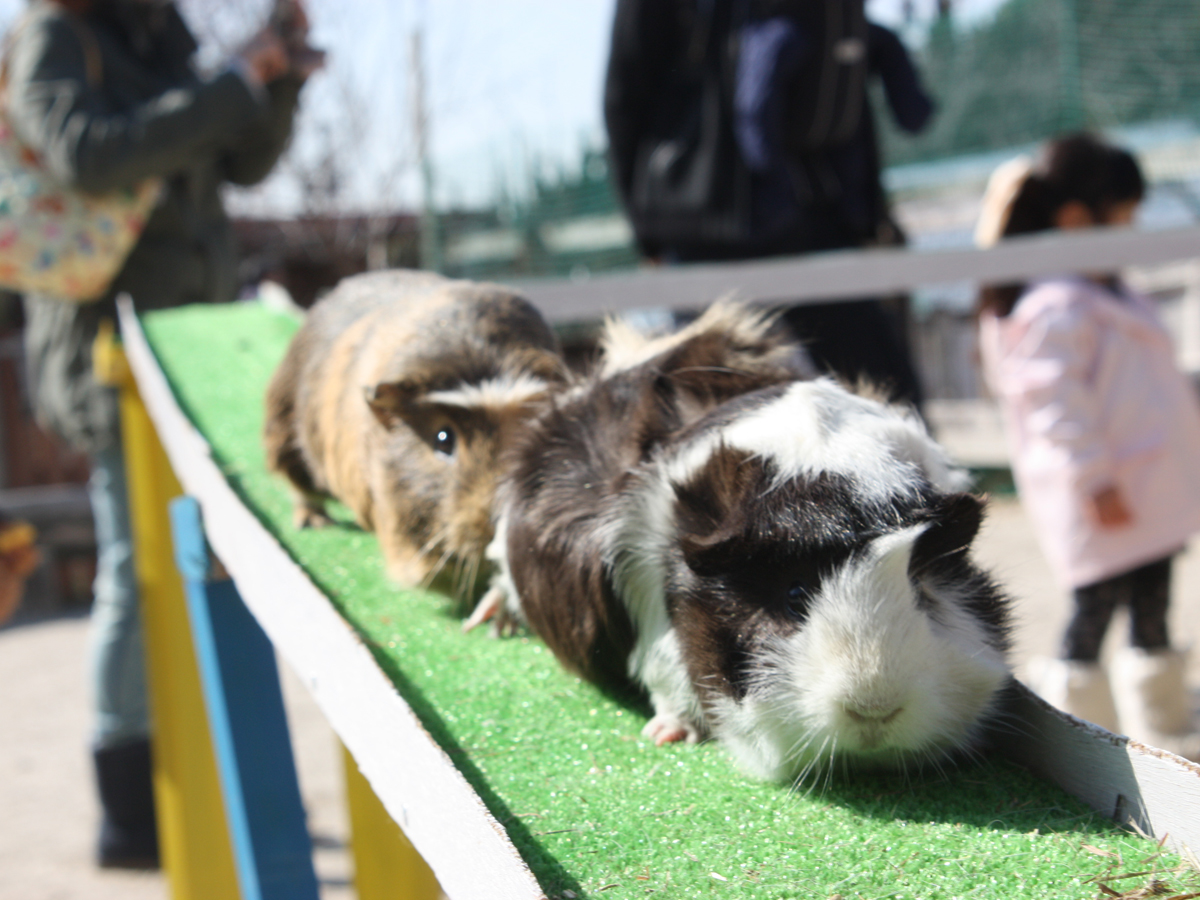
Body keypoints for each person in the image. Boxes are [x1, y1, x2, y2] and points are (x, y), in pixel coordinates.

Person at [4, 0, 320, 868]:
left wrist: (276, 81)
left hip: (196, 343)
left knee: (212, 562)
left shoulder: (158, 31)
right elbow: (88, 155)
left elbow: (240, 161)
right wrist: (231, 83)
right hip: (110, 350)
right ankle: (128, 800)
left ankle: (213, 775)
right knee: (135, 573)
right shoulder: (54, 35)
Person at [975, 134, 1200, 760]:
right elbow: (1055, 410)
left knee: (1153, 597)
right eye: (1123, 217)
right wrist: (1094, 481)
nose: (1131, 231)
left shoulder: (1100, 292)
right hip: (1109, 491)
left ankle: (1164, 724)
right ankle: (1083, 734)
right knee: (1095, 606)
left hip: (1147, 487)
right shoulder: (1054, 305)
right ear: (1077, 218)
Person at [603, 0, 933, 408]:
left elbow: (625, 94)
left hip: (735, 212)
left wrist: (649, 231)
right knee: (880, 395)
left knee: (715, 407)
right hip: (769, 211)